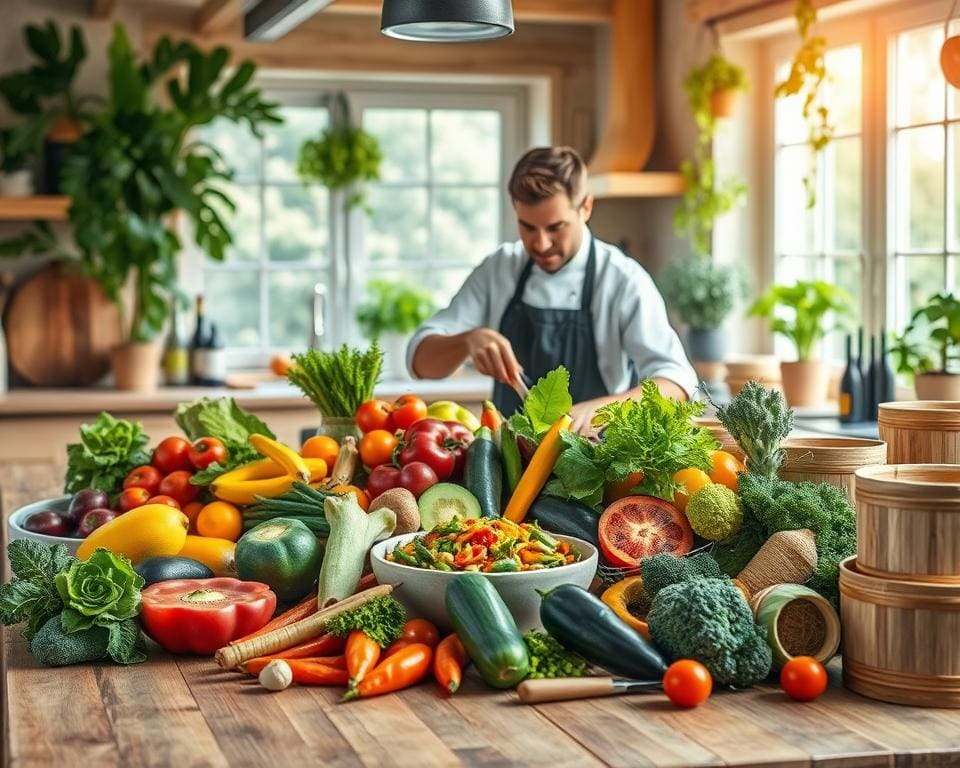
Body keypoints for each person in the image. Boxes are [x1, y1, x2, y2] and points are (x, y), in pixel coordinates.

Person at [406, 146, 697, 433]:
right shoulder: (499, 269)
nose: (541, 244)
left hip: (597, 462)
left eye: (556, 227)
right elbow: (420, 362)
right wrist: (468, 340)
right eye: (528, 227)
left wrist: (606, 410)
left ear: (586, 207)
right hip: (510, 467)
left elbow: (676, 383)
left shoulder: (622, 279)